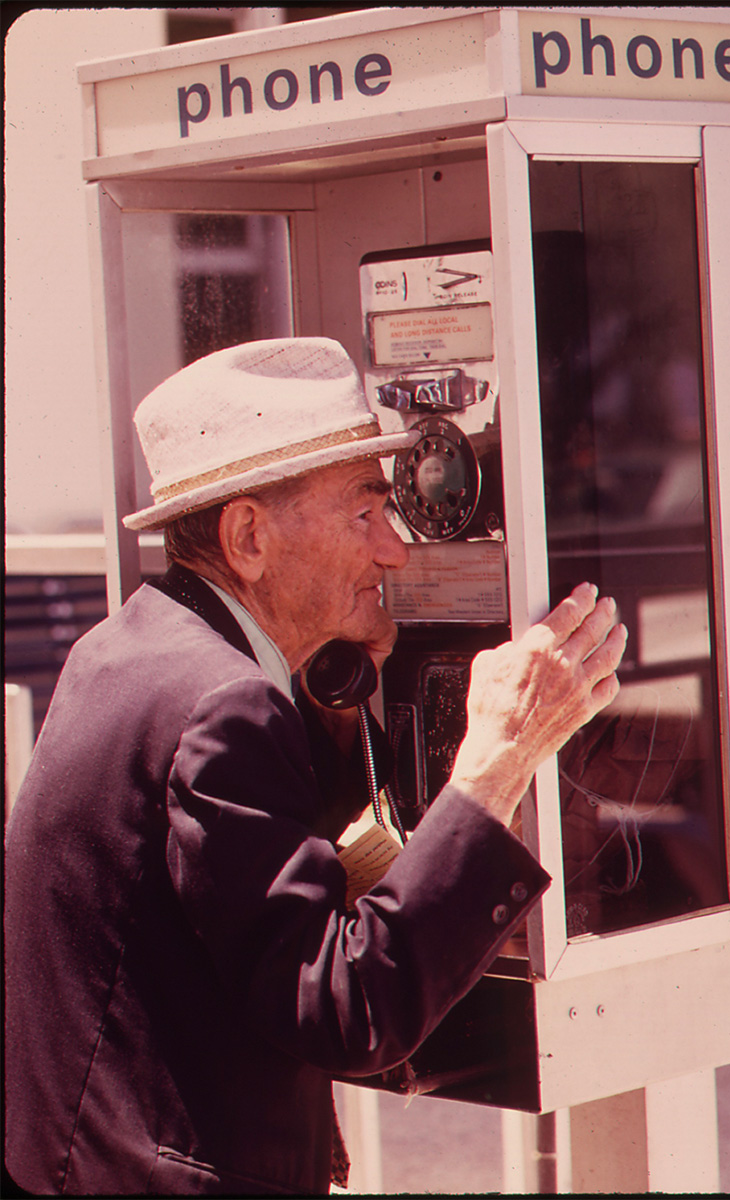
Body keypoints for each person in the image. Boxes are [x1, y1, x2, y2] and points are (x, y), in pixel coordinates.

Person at [4, 338, 627, 1196]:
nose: (394, 553)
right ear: (248, 535)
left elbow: (234, 901)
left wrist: (332, 713)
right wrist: (497, 760)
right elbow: (347, 1010)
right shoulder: (226, 702)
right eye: (363, 515)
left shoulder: (130, 649)